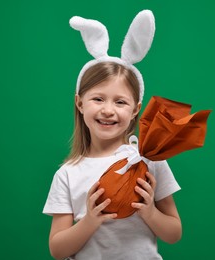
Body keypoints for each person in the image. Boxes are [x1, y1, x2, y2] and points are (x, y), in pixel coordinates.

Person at [43, 10, 182, 260]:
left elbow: (174, 234)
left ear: (135, 110)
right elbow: (57, 249)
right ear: (80, 103)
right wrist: (90, 221)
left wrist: (149, 212)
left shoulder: (150, 161)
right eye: (98, 99)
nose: (108, 110)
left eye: (120, 102)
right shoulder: (67, 173)